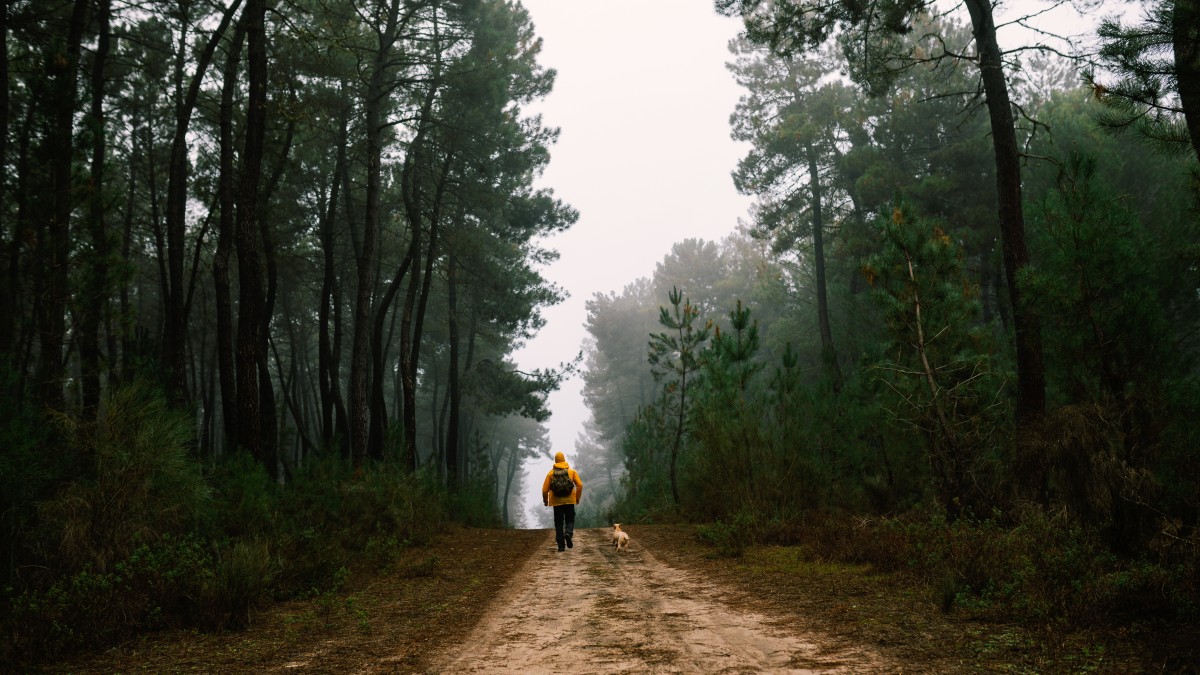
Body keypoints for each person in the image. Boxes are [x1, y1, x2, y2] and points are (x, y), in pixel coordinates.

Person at [542, 451, 583, 552]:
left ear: (555, 460)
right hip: (569, 501)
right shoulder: (571, 471)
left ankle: (561, 546)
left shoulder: (551, 473)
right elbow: (580, 485)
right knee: (570, 519)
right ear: (564, 459)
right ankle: (568, 533)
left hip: (556, 502)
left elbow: (544, 490)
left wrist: (546, 501)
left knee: (559, 523)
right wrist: (577, 498)